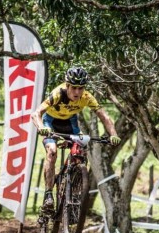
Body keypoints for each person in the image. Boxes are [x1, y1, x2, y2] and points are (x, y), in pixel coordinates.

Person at [30, 67, 121, 211]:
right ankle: (48, 195)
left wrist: (114, 134)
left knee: (80, 148)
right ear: (67, 86)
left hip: (70, 124)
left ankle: (73, 183)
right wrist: (41, 127)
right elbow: (36, 114)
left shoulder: (87, 97)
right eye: (74, 88)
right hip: (50, 122)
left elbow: (104, 116)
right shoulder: (57, 94)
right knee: (52, 151)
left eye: (81, 88)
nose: (77, 92)